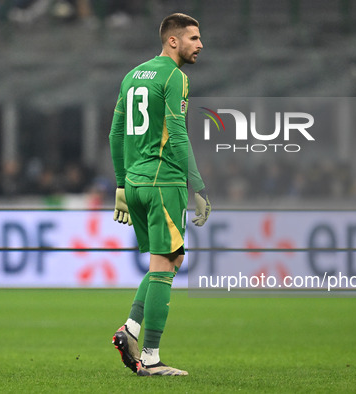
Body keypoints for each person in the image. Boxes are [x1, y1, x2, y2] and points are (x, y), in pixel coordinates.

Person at [108, 12, 210, 377]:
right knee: (166, 266)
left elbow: (115, 133)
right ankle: (149, 357)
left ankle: (130, 330)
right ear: (173, 40)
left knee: (170, 260)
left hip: (135, 184)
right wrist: (196, 185)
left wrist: (120, 183)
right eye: (194, 38)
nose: (200, 45)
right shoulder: (175, 77)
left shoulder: (133, 75)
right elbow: (179, 136)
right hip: (161, 183)